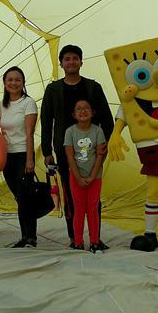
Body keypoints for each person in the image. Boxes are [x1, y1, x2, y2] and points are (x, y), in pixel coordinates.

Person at [40, 44, 114, 246]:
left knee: (93, 195)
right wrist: (47, 151)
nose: (71, 62)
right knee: (72, 195)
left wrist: (107, 143)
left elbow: (107, 119)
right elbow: (46, 120)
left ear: (81, 62)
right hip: (65, 152)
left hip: (92, 151)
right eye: (67, 59)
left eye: (75, 58)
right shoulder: (53, 89)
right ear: (61, 63)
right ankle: (75, 237)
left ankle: (95, 238)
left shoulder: (93, 87)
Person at [0, 66, 39, 247]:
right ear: (5, 83)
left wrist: (30, 159)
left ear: (23, 83)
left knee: (25, 197)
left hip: (23, 154)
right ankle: (26, 235)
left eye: (17, 80)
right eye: (10, 80)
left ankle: (29, 237)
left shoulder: (28, 103)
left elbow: (30, 133)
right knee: (19, 197)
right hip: (7, 157)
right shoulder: (3, 104)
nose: (13, 83)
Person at [63, 99, 107, 253]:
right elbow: (70, 157)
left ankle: (95, 241)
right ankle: (78, 242)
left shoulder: (98, 131)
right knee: (79, 210)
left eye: (86, 108)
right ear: (74, 114)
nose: (83, 111)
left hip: (96, 177)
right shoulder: (70, 132)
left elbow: (100, 156)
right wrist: (79, 178)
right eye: (79, 109)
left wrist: (92, 177)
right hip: (76, 178)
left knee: (93, 209)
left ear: (92, 112)